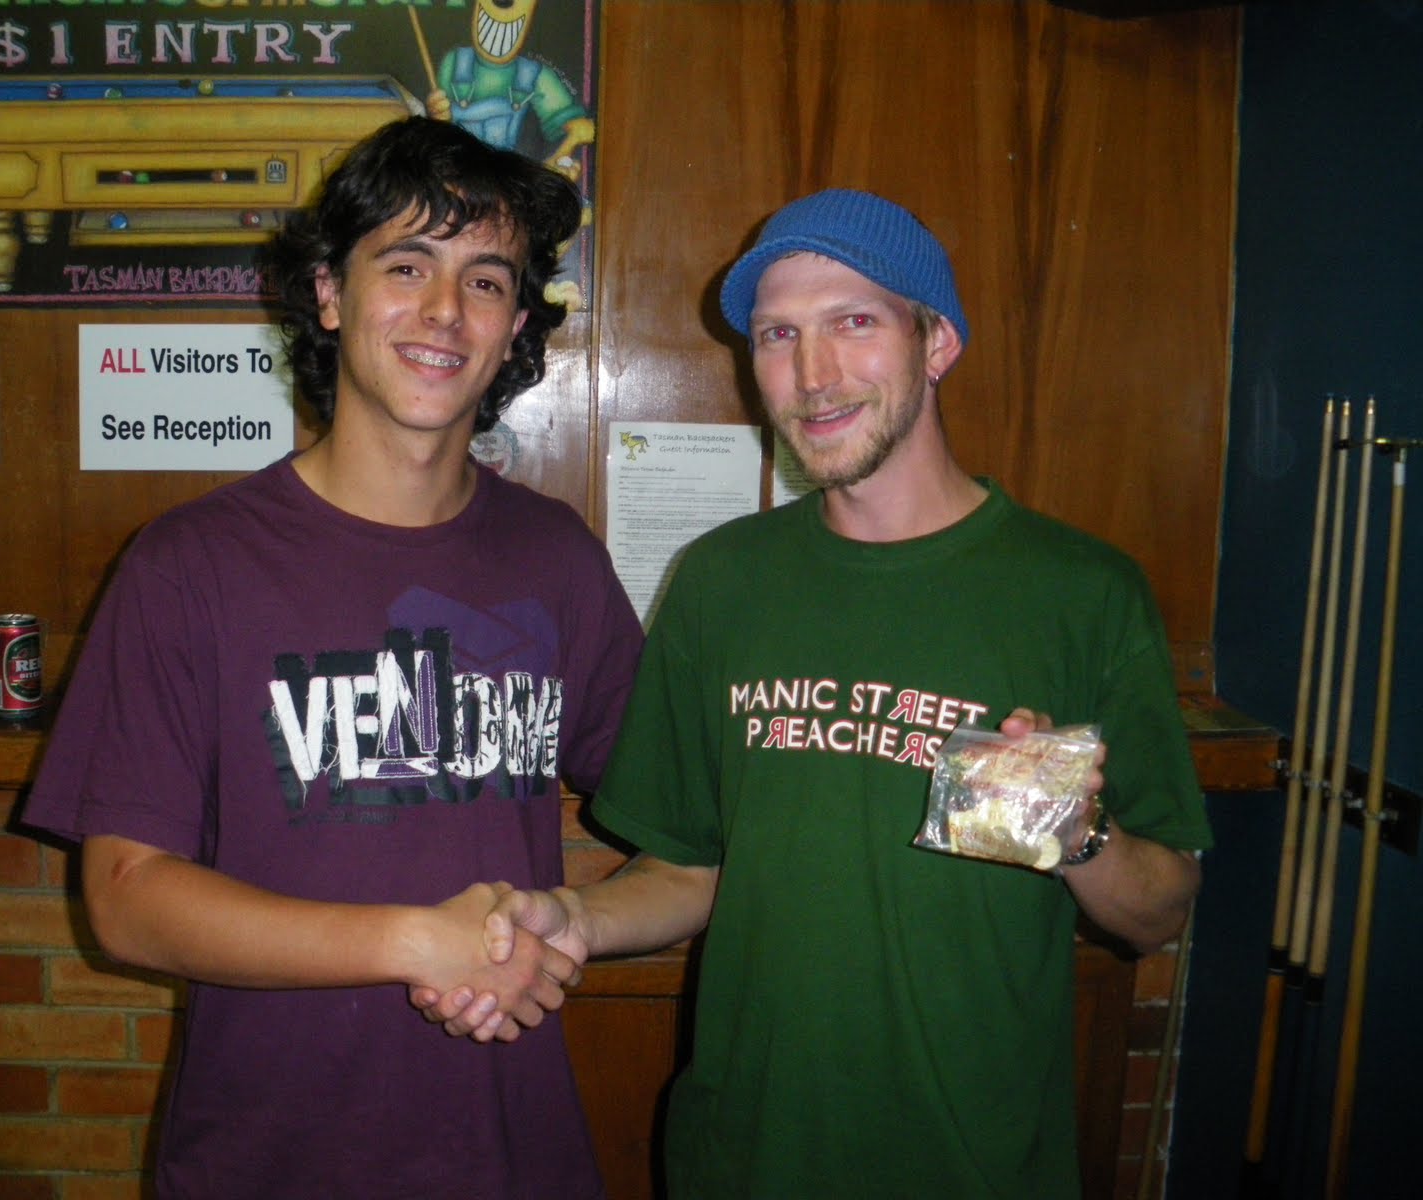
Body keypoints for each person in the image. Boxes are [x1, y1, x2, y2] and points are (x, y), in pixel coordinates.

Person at [417, 187, 1214, 1197]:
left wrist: (1076, 833)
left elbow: (1158, 911)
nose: (814, 373)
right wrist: (573, 918)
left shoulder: (1081, 591)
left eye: (855, 322)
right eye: (778, 335)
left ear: (937, 343)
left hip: (975, 1166)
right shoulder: (722, 580)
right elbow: (690, 867)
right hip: (743, 1158)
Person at [20, 116, 642, 1199]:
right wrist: (415, 942)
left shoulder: (558, 559)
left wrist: (575, 922)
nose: (444, 310)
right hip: (268, 1160)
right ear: (329, 294)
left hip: (511, 1158)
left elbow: (688, 833)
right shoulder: (190, 564)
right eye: (406, 265)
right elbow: (125, 899)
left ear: (513, 328)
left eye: (485, 280)